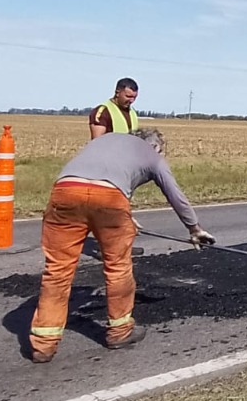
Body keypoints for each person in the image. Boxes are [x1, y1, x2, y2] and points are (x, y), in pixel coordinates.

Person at [28, 127, 215, 363]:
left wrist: (123, 212)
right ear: (156, 146)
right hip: (109, 199)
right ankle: (119, 332)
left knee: (57, 271)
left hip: (65, 192)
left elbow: (99, 177)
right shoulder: (152, 155)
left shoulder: (107, 140)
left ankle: (43, 345)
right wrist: (194, 229)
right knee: (117, 266)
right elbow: (175, 195)